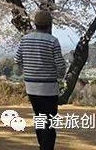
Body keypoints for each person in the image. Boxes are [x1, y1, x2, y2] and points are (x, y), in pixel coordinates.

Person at [14, 10, 66, 150]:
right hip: (48, 89)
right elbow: (60, 66)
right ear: (49, 24)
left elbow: (18, 60)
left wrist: (27, 71)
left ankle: (42, 146)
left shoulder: (25, 39)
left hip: (31, 87)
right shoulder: (52, 41)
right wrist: (60, 75)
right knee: (49, 121)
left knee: (39, 118)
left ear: (35, 24)